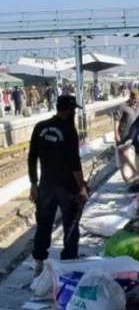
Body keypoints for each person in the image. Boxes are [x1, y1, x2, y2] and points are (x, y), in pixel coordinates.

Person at [28, 95, 88, 277]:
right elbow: (74, 162)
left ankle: (39, 263)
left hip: (46, 185)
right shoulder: (69, 130)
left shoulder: (40, 127)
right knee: (71, 224)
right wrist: (82, 186)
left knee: (43, 225)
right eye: (73, 110)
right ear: (69, 110)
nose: (74, 113)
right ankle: (68, 263)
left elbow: (32, 157)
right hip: (67, 187)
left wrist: (33, 183)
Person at [114, 90, 139, 184]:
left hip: (136, 135)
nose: (136, 101)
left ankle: (136, 176)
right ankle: (128, 180)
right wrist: (116, 134)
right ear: (131, 97)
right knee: (125, 158)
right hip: (124, 135)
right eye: (134, 99)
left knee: (135, 156)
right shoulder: (123, 106)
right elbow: (116, 120)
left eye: (137, 99)